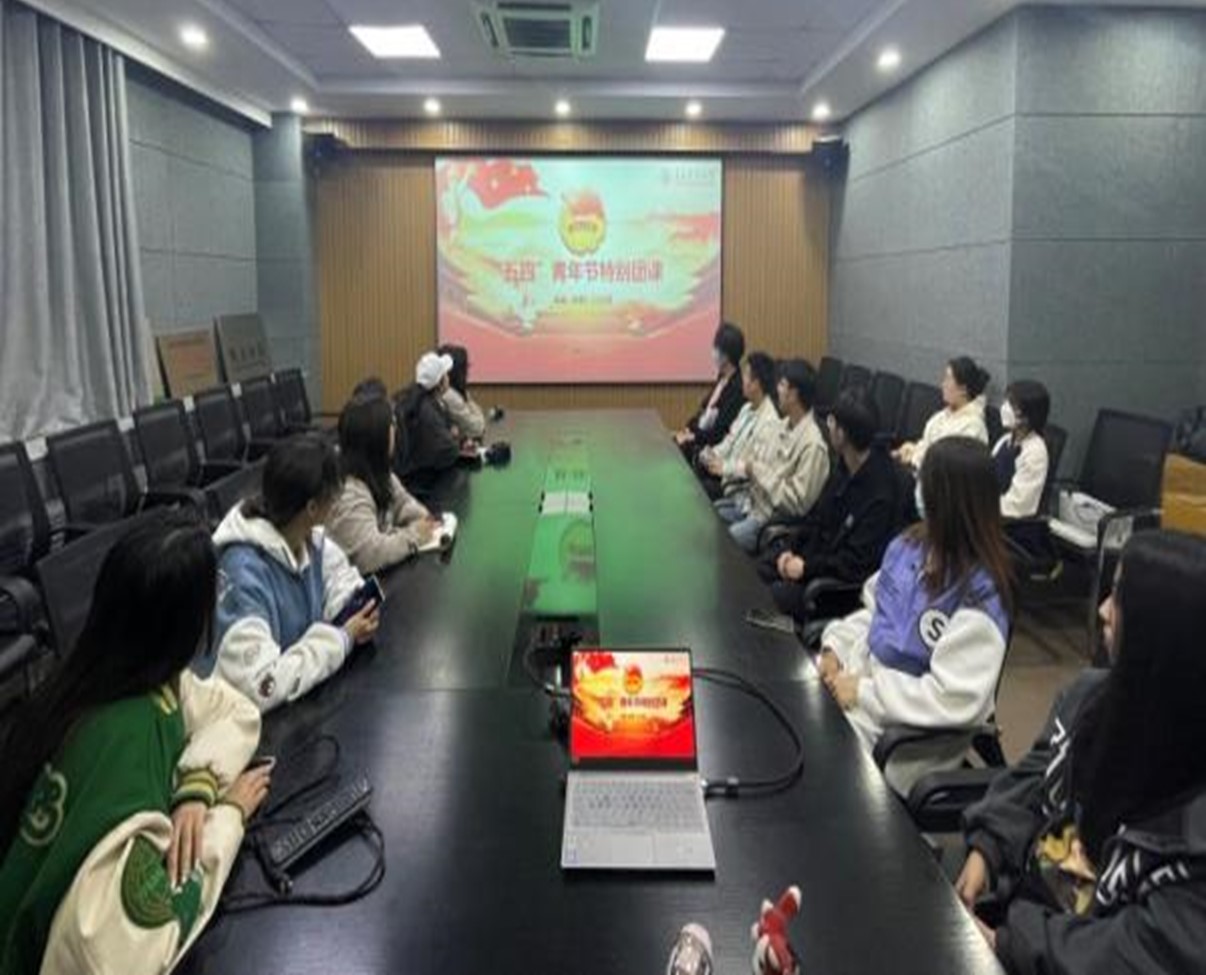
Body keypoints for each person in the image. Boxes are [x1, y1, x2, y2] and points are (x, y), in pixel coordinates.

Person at [0, 512, 266, 975]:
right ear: (187, 625)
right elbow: (123, 954)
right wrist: (228, 818)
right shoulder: (131, 745)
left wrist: (197, 788)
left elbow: (233, 710)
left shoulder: (86, 682)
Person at [956, 531, 1206, 974]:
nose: (1103, 609)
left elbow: (1137, 953)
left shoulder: (1192, 826)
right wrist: (988, 851)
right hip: (1021, 914)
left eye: (1121, 599)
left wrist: (1007, 944)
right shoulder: (1091, 697)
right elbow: (1035, 775)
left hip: (1050, 953)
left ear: (1163, 634)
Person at [819, 437, 1012, 792]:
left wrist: (864, 692)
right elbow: (876, 615)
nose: (917, 490)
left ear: (950, 501)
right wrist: (835, 648)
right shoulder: (909, 546)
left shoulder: (981, 597)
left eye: (926, 482)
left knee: (811, 761)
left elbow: (948, 698)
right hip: (857, 687)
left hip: (901, 737)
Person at [210, 434, 380, 713]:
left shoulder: (307, 537)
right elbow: (262, 687)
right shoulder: (243, 573)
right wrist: (340, 639)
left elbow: (341, 580)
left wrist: (354, 613)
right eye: (333, 496)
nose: (337, 503)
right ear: (312, 508)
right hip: (241, 720)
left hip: (291, 710)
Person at [759, 389, 901, 623]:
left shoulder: (880, 492)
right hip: (812, 560)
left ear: (842, 434)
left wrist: (805, 568)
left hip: (832, 588)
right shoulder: (844, 467)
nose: (828, 426)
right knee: (762, 567)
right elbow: (815, 518)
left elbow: (853, 563)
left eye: (832, 422)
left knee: (773, 596)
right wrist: (790, 549)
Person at [715, 359, 830, 554]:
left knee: (724, 542)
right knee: (710, 516)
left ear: (794, 394)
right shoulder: (780, 426)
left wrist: (758, 472)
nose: (777, 390)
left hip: (771, 522)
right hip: (752, 505)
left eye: (782, 385)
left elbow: (797, 504)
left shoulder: (813, 446)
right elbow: (755, 462)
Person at [327, 394, 444, 573]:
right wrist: (414, 535)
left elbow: (403, 503)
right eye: (392, 424)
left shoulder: (380, 472)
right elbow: (370, 556)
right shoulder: (348, 491)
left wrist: (423, 520)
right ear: (377, 436)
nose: (396, 429)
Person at [696, 351, 780, 499]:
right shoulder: (746, 408)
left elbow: (753, 467)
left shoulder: (769, 422)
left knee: (697, 492)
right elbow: (730, 440)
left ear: (756, 384)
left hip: (741, 490)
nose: (742, 381)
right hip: (726, 476)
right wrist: (713, 454)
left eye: (746, 376)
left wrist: (724, 467)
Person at [896, 356, 990, 471]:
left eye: (948, 380)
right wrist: (910, 451)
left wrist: (914, 458)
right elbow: (927, 445)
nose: (943, 385)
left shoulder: (973, 427)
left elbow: (949, 466)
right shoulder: (942, 415)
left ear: (963, 390)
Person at [673, 322, 747, 460]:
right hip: (700, 438)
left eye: (716, 348)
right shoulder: (721, 378)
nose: (713, 352)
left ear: (726, 355)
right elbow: (704, 410)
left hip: (712, 449)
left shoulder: (737, 388)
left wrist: (693, 436)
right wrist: (690, 429)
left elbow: (719, 432)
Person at [393, 351, 462, 487]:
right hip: (424, 485)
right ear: (439, 382)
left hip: (408, 479)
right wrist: (454, 439)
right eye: (445, 374)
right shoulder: (427, 409)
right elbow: (448, 452)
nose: (448, 377)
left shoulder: (412, 398)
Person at [992, 380, 1050, 519]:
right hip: (992, 513)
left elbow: (1017, 506)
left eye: (1012, 405)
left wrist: (981, 506)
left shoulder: (1035, 452)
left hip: (1011, 523)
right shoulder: (1005, 440)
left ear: (1028, 416)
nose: (1005, 408)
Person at [437, 344, 487, 442]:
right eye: (466, 366)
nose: (467, 372)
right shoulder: (450, 396)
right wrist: (468, 400)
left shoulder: (447, 392)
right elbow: (478, 427)